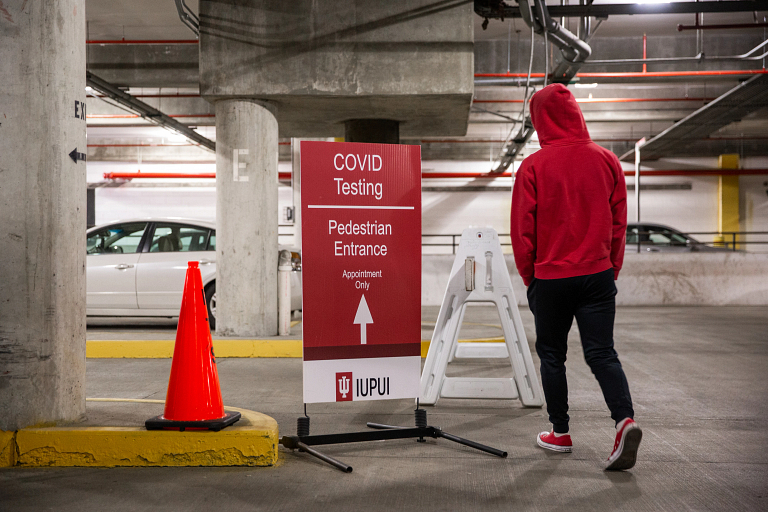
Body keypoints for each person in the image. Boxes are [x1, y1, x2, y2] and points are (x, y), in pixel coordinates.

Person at [510, 83, 642, 470]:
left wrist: (530, 278)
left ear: (540, 119)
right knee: (602, 353)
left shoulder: (533, 166)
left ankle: (560, 432)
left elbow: (522, 231)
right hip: (598, 274)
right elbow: (619, 224)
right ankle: (624, 420)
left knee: (552, 356)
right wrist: (611, 268)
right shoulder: (607, 160)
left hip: (550, 278)